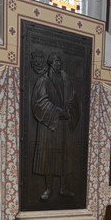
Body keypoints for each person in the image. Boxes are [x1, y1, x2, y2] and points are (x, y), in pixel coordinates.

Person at [32, 52, 80, 201]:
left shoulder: (67, 81)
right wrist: (58, 112)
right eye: (57, 61)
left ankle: (64, 187)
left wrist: (69, 112)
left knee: (66, 156)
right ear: (51, 63)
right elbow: (40, 102)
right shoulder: (43, 80)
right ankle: (48, 188)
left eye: (61, 61)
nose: (60, 64)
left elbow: (73, 99)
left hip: (65, 126)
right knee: (48, 157)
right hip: (50, 126)